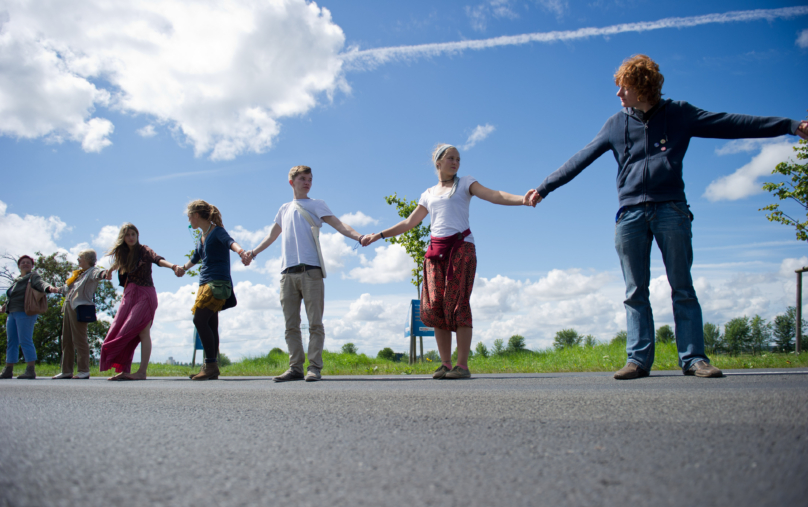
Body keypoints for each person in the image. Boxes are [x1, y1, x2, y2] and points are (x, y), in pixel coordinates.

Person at [533, 54, 808, 380]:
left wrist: (791, 126)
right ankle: (637, 360)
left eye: (623, 87)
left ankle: (694, 359)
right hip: (630, 215)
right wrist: (544, 188)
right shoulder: (615, 124)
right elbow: (579, 158)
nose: (618, 94)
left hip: (672, 210)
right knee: (635, 291)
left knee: (683, 286)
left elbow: (731, 122)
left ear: (642, 86)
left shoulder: (679, 114)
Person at [362, 145, 538, 379]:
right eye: (450, 158)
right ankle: (445, 364)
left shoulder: (465, 183)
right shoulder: (428, 194)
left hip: (461, 248)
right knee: (436, 306)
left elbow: (494, 195)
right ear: (438, 163)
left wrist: (522, 200)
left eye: (458, 159)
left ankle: (462, 366)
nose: (455, 162)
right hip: (435, 253)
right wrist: (379, 234)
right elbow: (409, 222)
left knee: (458, 304)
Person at [243, 166, 363, 382]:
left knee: (315, 323)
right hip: (287, 273)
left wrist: (359, 237)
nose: (307, 182)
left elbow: (338, 224)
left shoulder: (317, 205)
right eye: (302, 179)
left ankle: (314, 368)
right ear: (291, 182)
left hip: (311, 271)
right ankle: (295, 367)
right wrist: (253, 253)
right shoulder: (284, 209)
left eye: (309, 179)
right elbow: (271, 237)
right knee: (291, 325)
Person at [100, 223, 184, 380]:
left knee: (142, 331)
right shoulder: (123, 254)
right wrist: (109, 271)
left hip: (145, 294)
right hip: (129, 294)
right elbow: (118, 263)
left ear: (137, 236)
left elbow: (157, 259)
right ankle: (125, 371)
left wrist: (173, 266)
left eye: (133, 234)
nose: (131, 237)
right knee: (121, 329)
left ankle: (142, 372)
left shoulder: (144, 250)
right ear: (123, 238)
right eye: (128, 235)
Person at [178, 200, 250, 381]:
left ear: (195, 215)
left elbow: (230, 242)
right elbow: (195, 258)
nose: (188, 220)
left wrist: (242, 253)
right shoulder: (202, 236)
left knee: (199, 319)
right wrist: (182, 268)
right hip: (204, 284)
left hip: (216, 283)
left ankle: (210, 364)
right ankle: (212, 366)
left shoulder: (217, 231)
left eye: (189, 216)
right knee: (211, 324)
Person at [52, 249, 109, 379]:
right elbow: (67, 289)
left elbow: (100, 273)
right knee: (65, 339)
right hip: (68, 305)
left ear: (88, 259)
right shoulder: (78, 274)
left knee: (80, 339)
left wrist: (106, 274)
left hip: (80, 307)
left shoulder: (92, 271)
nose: (78, 260)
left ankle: (84, 370)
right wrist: (54, 289)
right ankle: (66, 371)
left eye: (80, 258)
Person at [0, 255, 58, 379]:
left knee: (25, 340)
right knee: (12, 342)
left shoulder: (33, 277)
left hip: (25, 312)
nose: (25, 264)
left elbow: (41, 284)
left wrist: (49, 288)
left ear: (32, 266)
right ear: (19, 265)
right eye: (23, 262)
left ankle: (30, 370)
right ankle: (8, 369)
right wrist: (4, 306)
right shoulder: (17, 280)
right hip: (12, 313)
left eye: (28, 263)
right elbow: (11, 296)